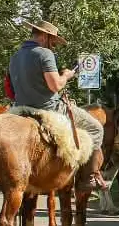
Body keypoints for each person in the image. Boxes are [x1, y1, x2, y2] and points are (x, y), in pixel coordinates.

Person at [7, 19, 105, 183]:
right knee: (96, 128)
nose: (53, 45)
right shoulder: (44, 54)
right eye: (53, 41)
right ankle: (89, 177)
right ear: (45, 37)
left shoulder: (15, 56)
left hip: (20, 108)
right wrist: (66, 75)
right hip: (48, 108)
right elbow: (55, 86)